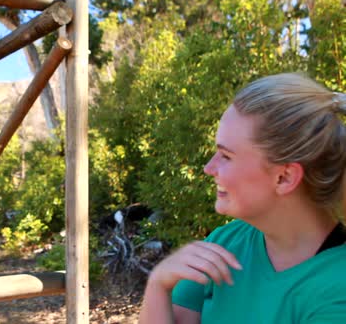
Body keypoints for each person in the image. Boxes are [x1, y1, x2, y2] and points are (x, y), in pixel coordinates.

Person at [139, 73, 346, 323]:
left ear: (284, 177)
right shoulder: (225, 244)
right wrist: (158, 286)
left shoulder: (336, 288)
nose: (208, 168)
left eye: (226, 156)